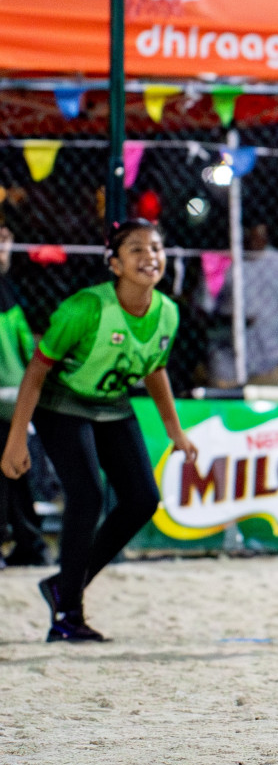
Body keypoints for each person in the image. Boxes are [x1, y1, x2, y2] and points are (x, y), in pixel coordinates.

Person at [0, 219, 198, 641]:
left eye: (157, 248)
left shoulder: (168, 312)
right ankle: (67, 615)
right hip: (62, 403)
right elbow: (36, 370)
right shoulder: (86, 309)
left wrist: (175, 431)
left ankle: (64, 584)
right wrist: (17, 439)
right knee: (87, 494)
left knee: (143, 499)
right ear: (115, 264)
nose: (150, 256)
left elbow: (156, 369)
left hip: (111, 404)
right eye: (137, 250)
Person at [204, 221, 278, 387]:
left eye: (260, 236)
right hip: (227, 358)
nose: (254, 241)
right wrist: (232, 320)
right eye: (248, 235)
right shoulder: (221, 262)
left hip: (271, 358)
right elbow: (202, 310)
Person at [0, 226, 47, 567]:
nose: (5, 248)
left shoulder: (8, 291)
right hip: (12, 395)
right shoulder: (9, 293)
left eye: (6, 241)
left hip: (11, 396)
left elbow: (24, 345)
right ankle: (29, 543)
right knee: (14, 470)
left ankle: (28, 543)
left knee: (15, 470)